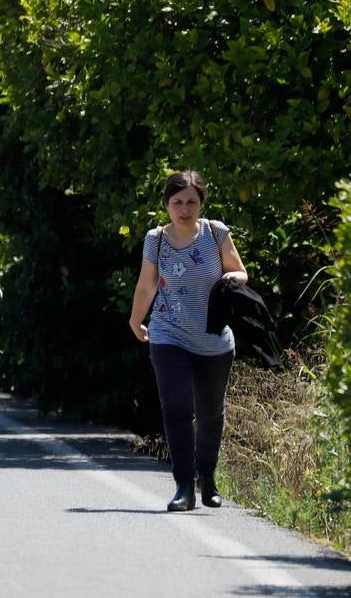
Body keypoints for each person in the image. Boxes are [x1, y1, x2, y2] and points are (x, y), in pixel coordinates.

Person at [129, 170, 248, 512]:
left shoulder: (215, 233)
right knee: (178, 409)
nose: (184, 208)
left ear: (201, 204)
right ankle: (184, 486)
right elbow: (147, 284)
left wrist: (231, 279)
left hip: (213, 340)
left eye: (191, 202)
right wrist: (136, 319)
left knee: (210, 413)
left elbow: (240, 271)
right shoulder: (156, 239)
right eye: (177, 202)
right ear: (167, 205)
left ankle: (207, 479)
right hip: (168, 333)